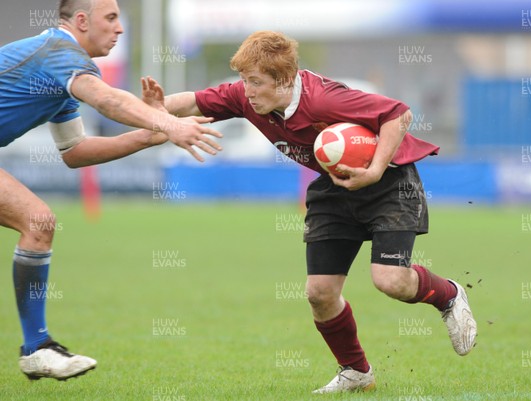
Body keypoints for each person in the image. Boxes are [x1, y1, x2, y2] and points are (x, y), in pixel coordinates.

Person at [153, 30, 477, 393]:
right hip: (335, 188)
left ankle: (449, 295)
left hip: (388, 183)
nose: (247, 91)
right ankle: (356, 371)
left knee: (390, 281)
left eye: (256, 82)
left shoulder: (323, 100)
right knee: (319, 292)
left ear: (285, 80)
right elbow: (190, 102)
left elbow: (399, 115)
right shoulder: (245, 97)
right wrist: (148, 109)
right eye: (245, 81)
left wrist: (371, 171)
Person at [0, 0, 222, 381]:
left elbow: (76, 152)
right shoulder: (59, 51)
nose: (119, 28)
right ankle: (36, 347)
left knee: (38, 222)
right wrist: (169, 123)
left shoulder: (63, 70)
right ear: (82, 21)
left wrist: (148, 136)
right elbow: (107, 99)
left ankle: (37, 348)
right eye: (112, 18)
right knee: (38, 221)